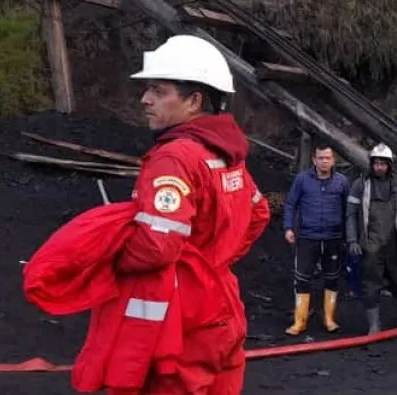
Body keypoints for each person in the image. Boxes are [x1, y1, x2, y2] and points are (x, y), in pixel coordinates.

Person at [119, 34, 270, 393]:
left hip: (184, 317)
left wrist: (109, 260)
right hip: (225, 309)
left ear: (195, 100)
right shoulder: (226, 154)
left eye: (158, 90)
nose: (145, 99)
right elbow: (258, 212)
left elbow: (157, 245)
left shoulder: (175, 157)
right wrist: (213, 262)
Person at [345, 143, 397, 334]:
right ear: (371, 164)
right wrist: (352, 240)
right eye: (376, 163)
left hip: (393, 243)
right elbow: (350, 214)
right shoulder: (360, 185)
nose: (379, 167)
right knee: (371, 283)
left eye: (383, 164)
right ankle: (374, 324)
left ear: (390, 165)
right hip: (370, 243)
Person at [282, 144, 350, 335]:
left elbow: (348, 211)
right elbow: (290, 204)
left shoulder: (342, 182)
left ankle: (329, 318)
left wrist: (349, 236)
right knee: (302, 278)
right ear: (314, 160)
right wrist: (288, 227)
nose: (324, 161)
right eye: (321, 158)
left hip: (333, 237)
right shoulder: (302, 180)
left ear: (333, 160)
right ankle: (300, 321)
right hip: (307, 236)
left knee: (332, 278)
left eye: (328, 158)